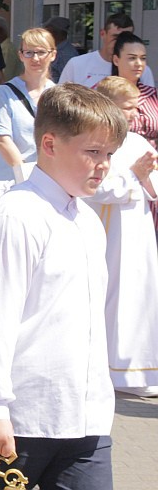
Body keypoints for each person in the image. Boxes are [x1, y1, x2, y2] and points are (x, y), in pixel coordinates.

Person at [0, 83, 122, 489]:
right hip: (19, 420)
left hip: (84, 419)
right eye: (92, 152)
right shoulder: (16, 216)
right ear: (49, 143)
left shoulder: (86, 219)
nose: (103, 165)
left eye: (109, 155)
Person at [90, 77, 158, 397]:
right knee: (113, 296)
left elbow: (153, 187)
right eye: (127, 108)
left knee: (140, 296)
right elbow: (98, 187)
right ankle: (108, 370)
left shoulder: (140, 143)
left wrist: (144, 178)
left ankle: (138, 370)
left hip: (138, 231)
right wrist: (135, 176)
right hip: (110, 231)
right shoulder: (97, 143)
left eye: (135, 107)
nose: (134, 114)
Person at [0, 27, 56, 182]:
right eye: (29, 52)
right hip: (14, 180)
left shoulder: (57, 94)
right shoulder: (5, 93)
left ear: (53, 55)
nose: (35, 58)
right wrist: (25, 175)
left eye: (41, 52)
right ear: (21, 55)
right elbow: (2, 139)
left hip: (49, 180)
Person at [59, 11, 153, 88]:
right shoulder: (77, 64)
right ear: (103, 34)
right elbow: (59, 100)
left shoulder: (140, 69)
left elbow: (149, 104)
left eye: (126, 37)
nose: (120, 41)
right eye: (115, 37)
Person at [110, 32, 158, 148]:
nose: (138, 64)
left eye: (143, 58)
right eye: (132, 58)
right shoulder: (106, 95)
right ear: (116, 60)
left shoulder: (153, 95)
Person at [44, 16, 78, 82]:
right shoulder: (55, 49)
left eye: (47, 31)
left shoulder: (66, 55)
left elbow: (68, 83)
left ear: (54, 33)